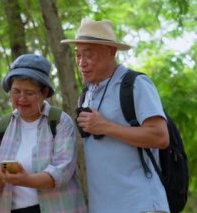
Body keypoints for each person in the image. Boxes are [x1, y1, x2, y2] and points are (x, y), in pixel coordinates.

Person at [61, 19, 170, 212]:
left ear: (111, 51)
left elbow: (160, 137)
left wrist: (105, 127)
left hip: (141, 205)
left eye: (89, 55)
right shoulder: (86, 95)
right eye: (78, 55)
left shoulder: (135, 84)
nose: (81, 62)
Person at [0, 54, 86, 213]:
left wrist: (26, 180)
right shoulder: (0, 127)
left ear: (44, 92)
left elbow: (61, 171)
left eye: (29, 93)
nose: (21, 98)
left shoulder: (59, 122)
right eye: (16, 91)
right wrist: (0, 174)